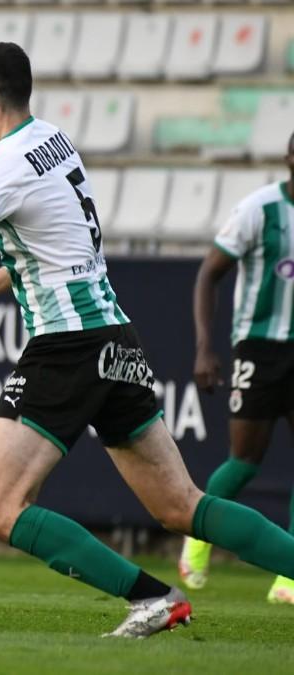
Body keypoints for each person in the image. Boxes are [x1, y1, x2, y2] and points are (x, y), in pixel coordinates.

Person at [0, 42, 294, 638]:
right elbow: (50, 246)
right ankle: (171, 595)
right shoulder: (54, 142)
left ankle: (151, 598)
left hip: (67, 348)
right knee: (182, 504)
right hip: (116, 340)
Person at [179, 129, 294, 604]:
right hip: (259, 348)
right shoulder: (259, 209)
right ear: (289, 156)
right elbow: (209, 274)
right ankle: (198, 536)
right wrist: (206, 346)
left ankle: (288, 577)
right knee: (244, 459)